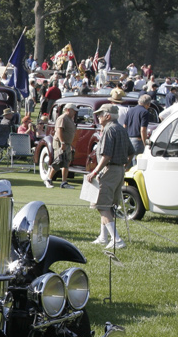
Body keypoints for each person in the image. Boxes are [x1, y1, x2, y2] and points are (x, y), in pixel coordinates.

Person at [85, 104, 134, 249]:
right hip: (119, 171)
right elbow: (131, 152)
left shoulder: (109, 129)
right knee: (107, 205)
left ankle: (116, 240)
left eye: (100, 114)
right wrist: (124, 166)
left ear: (107, 116)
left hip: (109, 169)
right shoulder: (121, 129)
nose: (98, 117)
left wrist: (94, 172)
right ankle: (103, 237)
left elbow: (106, 156)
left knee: (102, 206)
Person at [44, 103, 78, 189]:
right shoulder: (62, 118)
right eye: (73, 110)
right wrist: (62, 142)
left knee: (66, 163)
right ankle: (48, 179)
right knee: (58, 161)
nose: (75, 112)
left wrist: (69, 144)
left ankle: (64, 182)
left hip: (67, 143)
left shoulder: (70, 119)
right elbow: (59, 131)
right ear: (68, 110)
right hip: (60, 143)